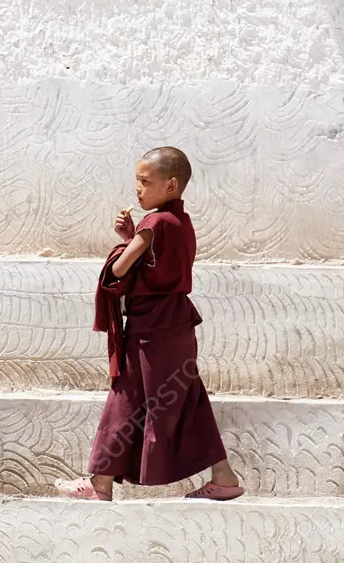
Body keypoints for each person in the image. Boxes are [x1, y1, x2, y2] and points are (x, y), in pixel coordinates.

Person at [55, 147, 243, 501]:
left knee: (126, 399)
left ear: (171, 184)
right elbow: (159, 269)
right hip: (177, 326)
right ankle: (225, 477)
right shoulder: (181, 223)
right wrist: (133, 239)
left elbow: (120, 270)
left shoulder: (154, 223)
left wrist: (127, 244)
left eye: (145, 182)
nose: (138, 190)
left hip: (152, 330)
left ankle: (100, 483)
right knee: (187, 401)